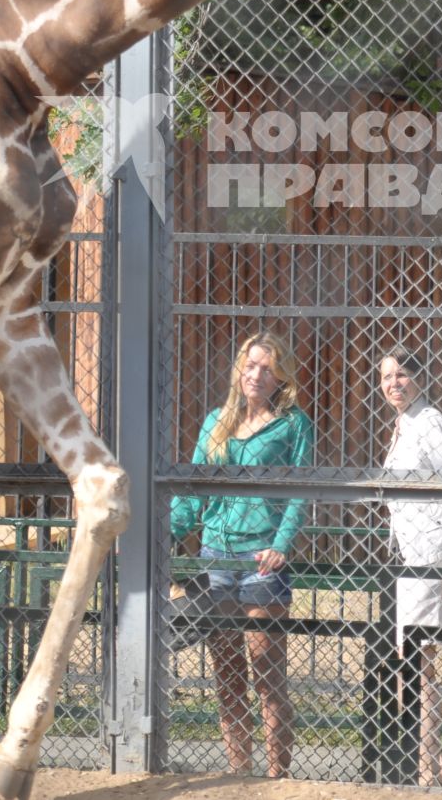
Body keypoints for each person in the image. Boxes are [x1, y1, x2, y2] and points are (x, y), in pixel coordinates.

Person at [169, 332, 315, 778]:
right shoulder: (216, 421)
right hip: (216, 558)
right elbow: (194, 493)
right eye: (250, 366)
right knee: (228, 678)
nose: (256, 374)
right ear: (238, 370)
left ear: (280, 377)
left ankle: (277, 778)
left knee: (268, 676)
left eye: (267, 368)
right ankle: (238, 777)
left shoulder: (293, 425)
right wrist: (165, 535)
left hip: (261, 562)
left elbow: (299, 494)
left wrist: (281, 545)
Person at [377, 345, 442, 787]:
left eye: (401, 374)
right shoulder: (401, 426)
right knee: (416, 665)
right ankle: (432, 762)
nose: (393, 383)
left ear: (418, 377)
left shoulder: (431, 422)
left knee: (420, 666)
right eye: (385, 377)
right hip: (407, 561)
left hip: (431, 562)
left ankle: (423, 765)